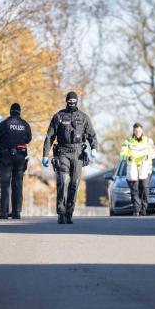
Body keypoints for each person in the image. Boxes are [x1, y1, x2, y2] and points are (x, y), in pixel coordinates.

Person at [42, 91, 97, 224]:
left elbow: (91, 135)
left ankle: (69, 213)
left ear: (77, 101)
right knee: (62, 182)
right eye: (69, 101)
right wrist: (45, 154)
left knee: (74, 184)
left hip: (78, 153)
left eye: (74, 101)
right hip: (63, 152)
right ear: (66, 101)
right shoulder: (59, 116)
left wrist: (94, 148)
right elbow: (50, 136)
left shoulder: (83, 117)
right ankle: (61, 213)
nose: (71, 103)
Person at [0, 103, 32, 219]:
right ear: (20, 112)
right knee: (18, 185)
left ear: (10, 111)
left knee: (5, 185)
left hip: (6, 157)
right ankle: (16, 212)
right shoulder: (25, 125)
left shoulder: (5, 124)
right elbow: (28, 139)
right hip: (20, 158)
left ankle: (4, 212)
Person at [120, 123, 155, 216]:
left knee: (144, 188)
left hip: (145, 170)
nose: (138, 133)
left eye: (139, 131)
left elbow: (153, 153)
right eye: (136, 131)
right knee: (135, 190)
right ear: (133, 131)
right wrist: (128, 157)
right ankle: (136, 210)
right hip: (133, 170)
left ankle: (144, 209)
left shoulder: (148, 141)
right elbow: (122, 154)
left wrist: (148, 156)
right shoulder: (127, 141)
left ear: (142, 131)